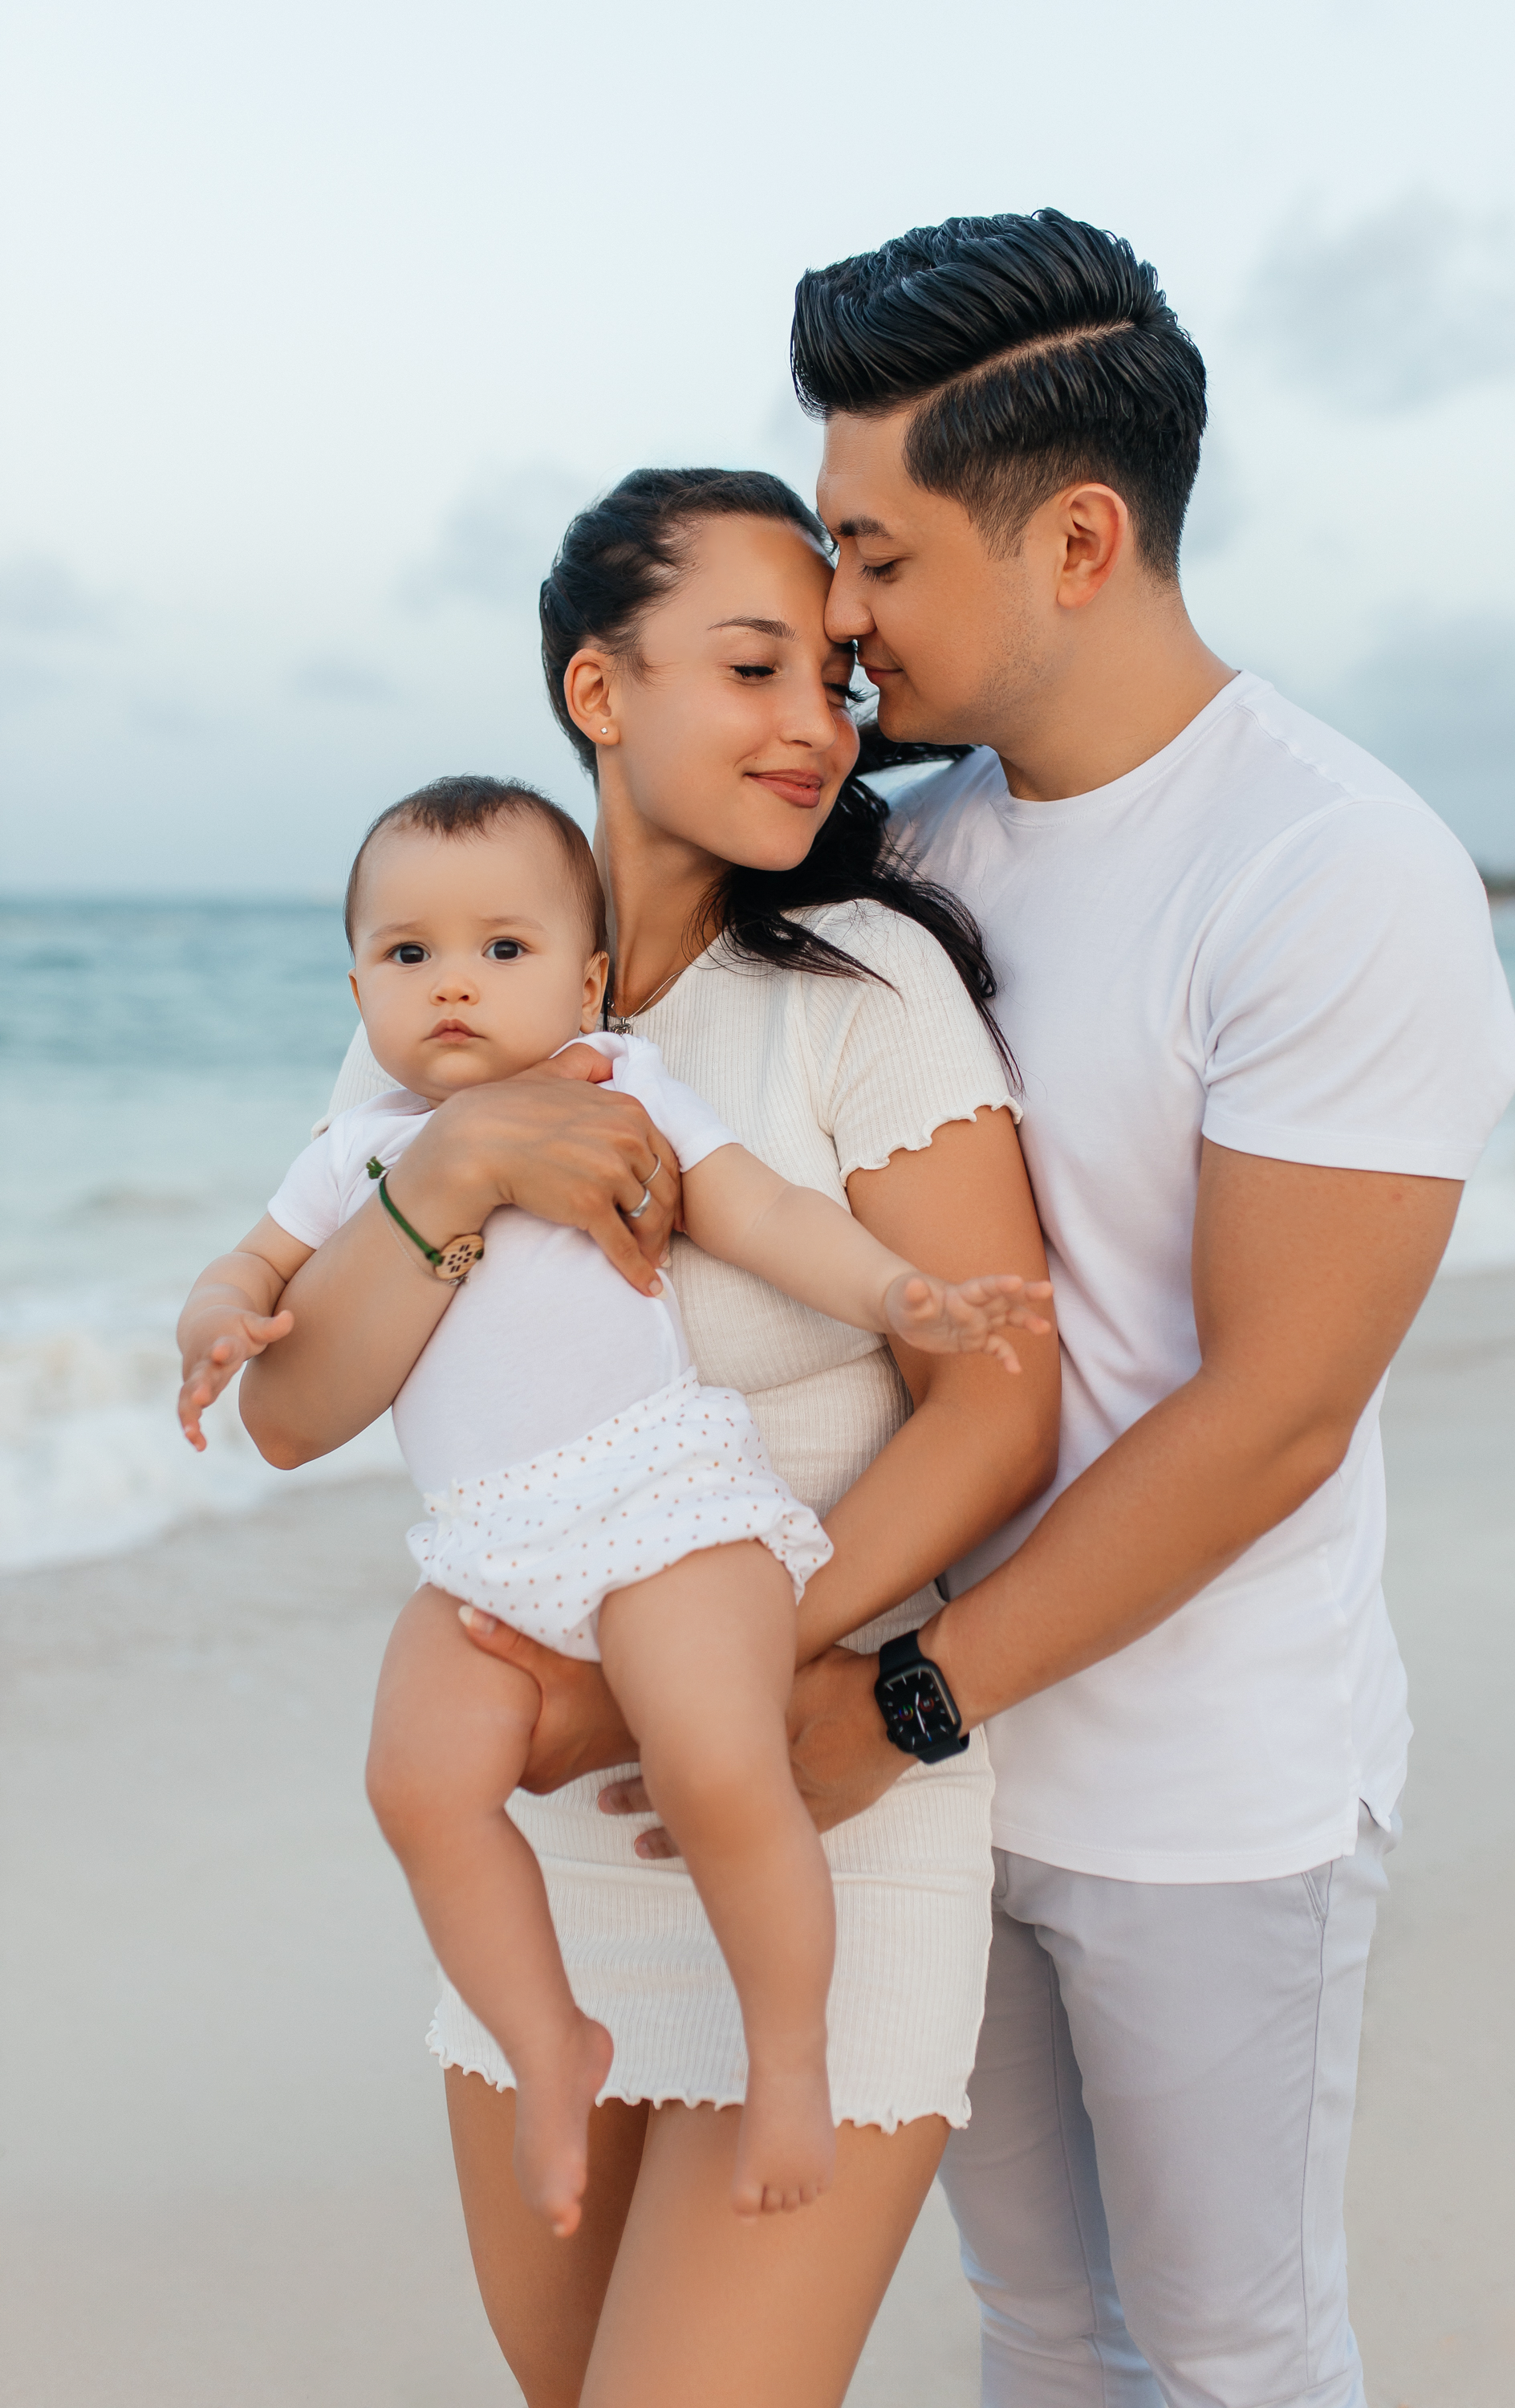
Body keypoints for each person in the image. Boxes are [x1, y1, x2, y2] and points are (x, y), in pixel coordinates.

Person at [693, 208, 1515, 2406]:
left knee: (1236, 2351)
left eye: (875, 555)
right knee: (1046, 2328)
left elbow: (1271, 1415)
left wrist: (903, 1707)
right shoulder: (915, 859)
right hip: (941, 1772)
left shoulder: (1332, 865)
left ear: (1075, 538)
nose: (838, 619)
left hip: (1202, 1790)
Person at [235, 471, 1062, 2406]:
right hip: (556, 1862)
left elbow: (997, 1407)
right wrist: (447, 1173)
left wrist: (699, 1668)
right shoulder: (448, 1006)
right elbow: (290, 1412)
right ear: (598, 690)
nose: (817, 724)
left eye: (839, 680)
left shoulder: (864, 989)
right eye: (756, 665)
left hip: (808, 1783)